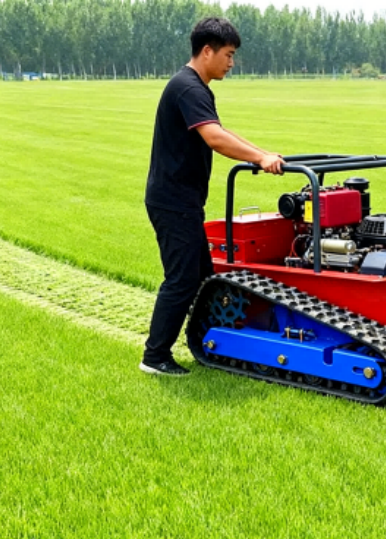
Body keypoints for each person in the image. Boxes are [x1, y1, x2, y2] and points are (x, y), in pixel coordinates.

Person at [141, 17, 284, 376]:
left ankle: (214, 343)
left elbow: (220, 130)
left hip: (182, 199)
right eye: (229, 54)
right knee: (182, 279)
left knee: (203, 275)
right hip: (173, 201)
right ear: (208, 51)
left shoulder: (194, 87)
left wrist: (263, 153)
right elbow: (215, 138)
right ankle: (155, 357)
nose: (232, 63)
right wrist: (260, 158)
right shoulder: (188, 88)